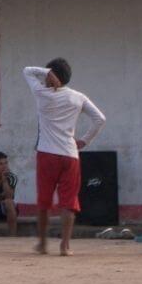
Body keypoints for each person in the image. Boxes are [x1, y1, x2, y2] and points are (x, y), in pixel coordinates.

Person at [25, 59, 106, 256]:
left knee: (44, 201)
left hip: (47, 154)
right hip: (70, 155)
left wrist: (47, 73)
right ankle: (65, 246)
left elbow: (27, 71)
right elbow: (100, 119)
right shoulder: (78, 97)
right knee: (69, 202)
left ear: (51, 74)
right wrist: (84, 142)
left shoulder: (42, 94)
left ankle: (43, 244)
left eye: (49, 75)